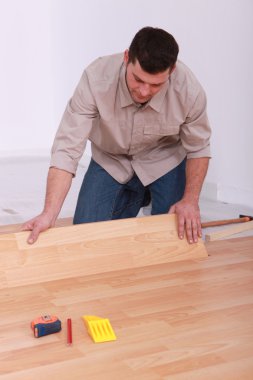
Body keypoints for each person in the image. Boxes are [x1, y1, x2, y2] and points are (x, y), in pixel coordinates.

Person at [22, 26, 211, 244]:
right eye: (138, 80)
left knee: (174, 237)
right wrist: (49, 213)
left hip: (163, 160)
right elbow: (67, 148)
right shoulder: (95, 79)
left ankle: (147, 193)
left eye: (156, 84)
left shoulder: (189, 90)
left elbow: (199, 148)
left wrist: (190, 200)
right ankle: (137, 194)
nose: (144, 91)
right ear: (127, 58)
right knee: (87, 237)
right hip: (111, 160)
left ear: (172, 70)